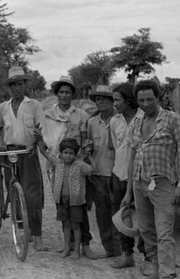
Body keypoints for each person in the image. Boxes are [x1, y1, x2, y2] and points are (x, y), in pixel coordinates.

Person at [122, 79, 180, 279]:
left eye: (149, 99)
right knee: (145, 229)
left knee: (164, 233)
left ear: (158, 98)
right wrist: (129, 190)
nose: (145, 104)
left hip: (163, 184)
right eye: (141, 100)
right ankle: (156, 270)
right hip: (140, 183)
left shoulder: (172, 120)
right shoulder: (136, 122)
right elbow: (133, 154)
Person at [38, 75, 98, 259]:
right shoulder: (47, 114)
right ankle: (70, 244)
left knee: (79, 203)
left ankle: (85, 244)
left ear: (73, 94)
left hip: (78, 167)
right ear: (57, 94)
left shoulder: (81, 115)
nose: (64, 95)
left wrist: (86, 154)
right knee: (62, 202)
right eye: (61, 92)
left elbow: (88, 138)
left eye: (68, 92)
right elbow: (42, 138)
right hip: (56, 165)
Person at [0, 66, 47, 251]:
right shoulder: (3, 107)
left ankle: (37, 235)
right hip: (9, 154)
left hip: (28, 153)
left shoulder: (33, 105)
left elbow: (41, 129)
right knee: (13, 192)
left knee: (32, 195)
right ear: (9, 87)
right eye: (13, 85)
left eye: (20, 84)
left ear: (24, 85)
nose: (17, 88)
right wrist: (1, 142)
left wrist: (37, 143)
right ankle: (23, 229)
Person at [109, 83, 148, 270]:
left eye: (117, 100)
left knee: (144, 217)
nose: (114, 103)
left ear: (128, 100)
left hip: (141, 176)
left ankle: (149, 258)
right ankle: (127, 255)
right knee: (123, 216)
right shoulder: (115, 121)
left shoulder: (145, 118)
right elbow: (116, 148)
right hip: (120, 174)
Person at [38, 138, 94, 259]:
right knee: (66, 225)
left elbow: (91, 170)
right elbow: (44, 152)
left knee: (76, 226)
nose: (68, 156)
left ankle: (77, 251)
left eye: (71, 153)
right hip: (61, 200)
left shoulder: (80, 165)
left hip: (76, 201)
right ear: (61, 153)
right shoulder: (58, 163)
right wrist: (39, 139)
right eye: (65, 153)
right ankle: (67, 247)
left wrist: (88, 156)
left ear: (76, 154)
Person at [86, 85, 120, 258]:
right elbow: (88, 148)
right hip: (99, 174)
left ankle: (121, 249)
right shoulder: (92, 123)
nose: (101, 102)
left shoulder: (120, 120)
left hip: (118, 174)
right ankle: (109, 249)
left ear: (112, 101)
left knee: (119, 212)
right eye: (98, 99)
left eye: (105, 98)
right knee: (102, 213)